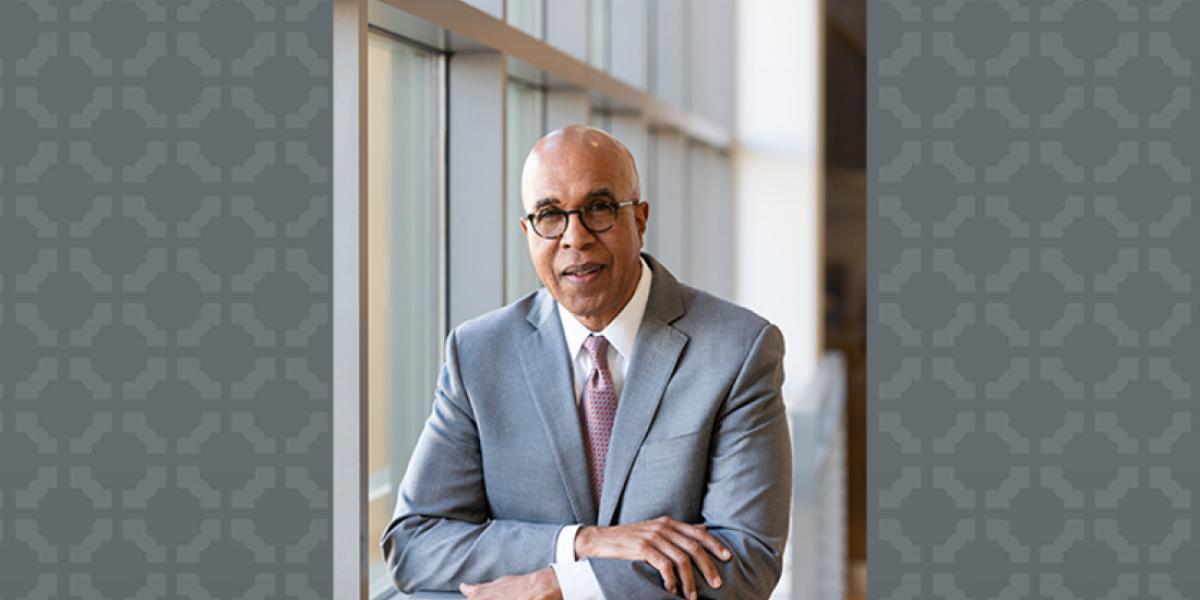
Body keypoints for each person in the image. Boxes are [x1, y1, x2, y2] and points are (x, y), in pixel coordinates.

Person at [381, 125, 791, 600]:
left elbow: (746, 558)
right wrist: (582, 543)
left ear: (640, 219)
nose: (575, 238)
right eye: (550, 215)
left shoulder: (737, 349)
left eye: (598, 209)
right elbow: (414, 545)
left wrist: (566, 584)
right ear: (527, 231)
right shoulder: (478, 354)